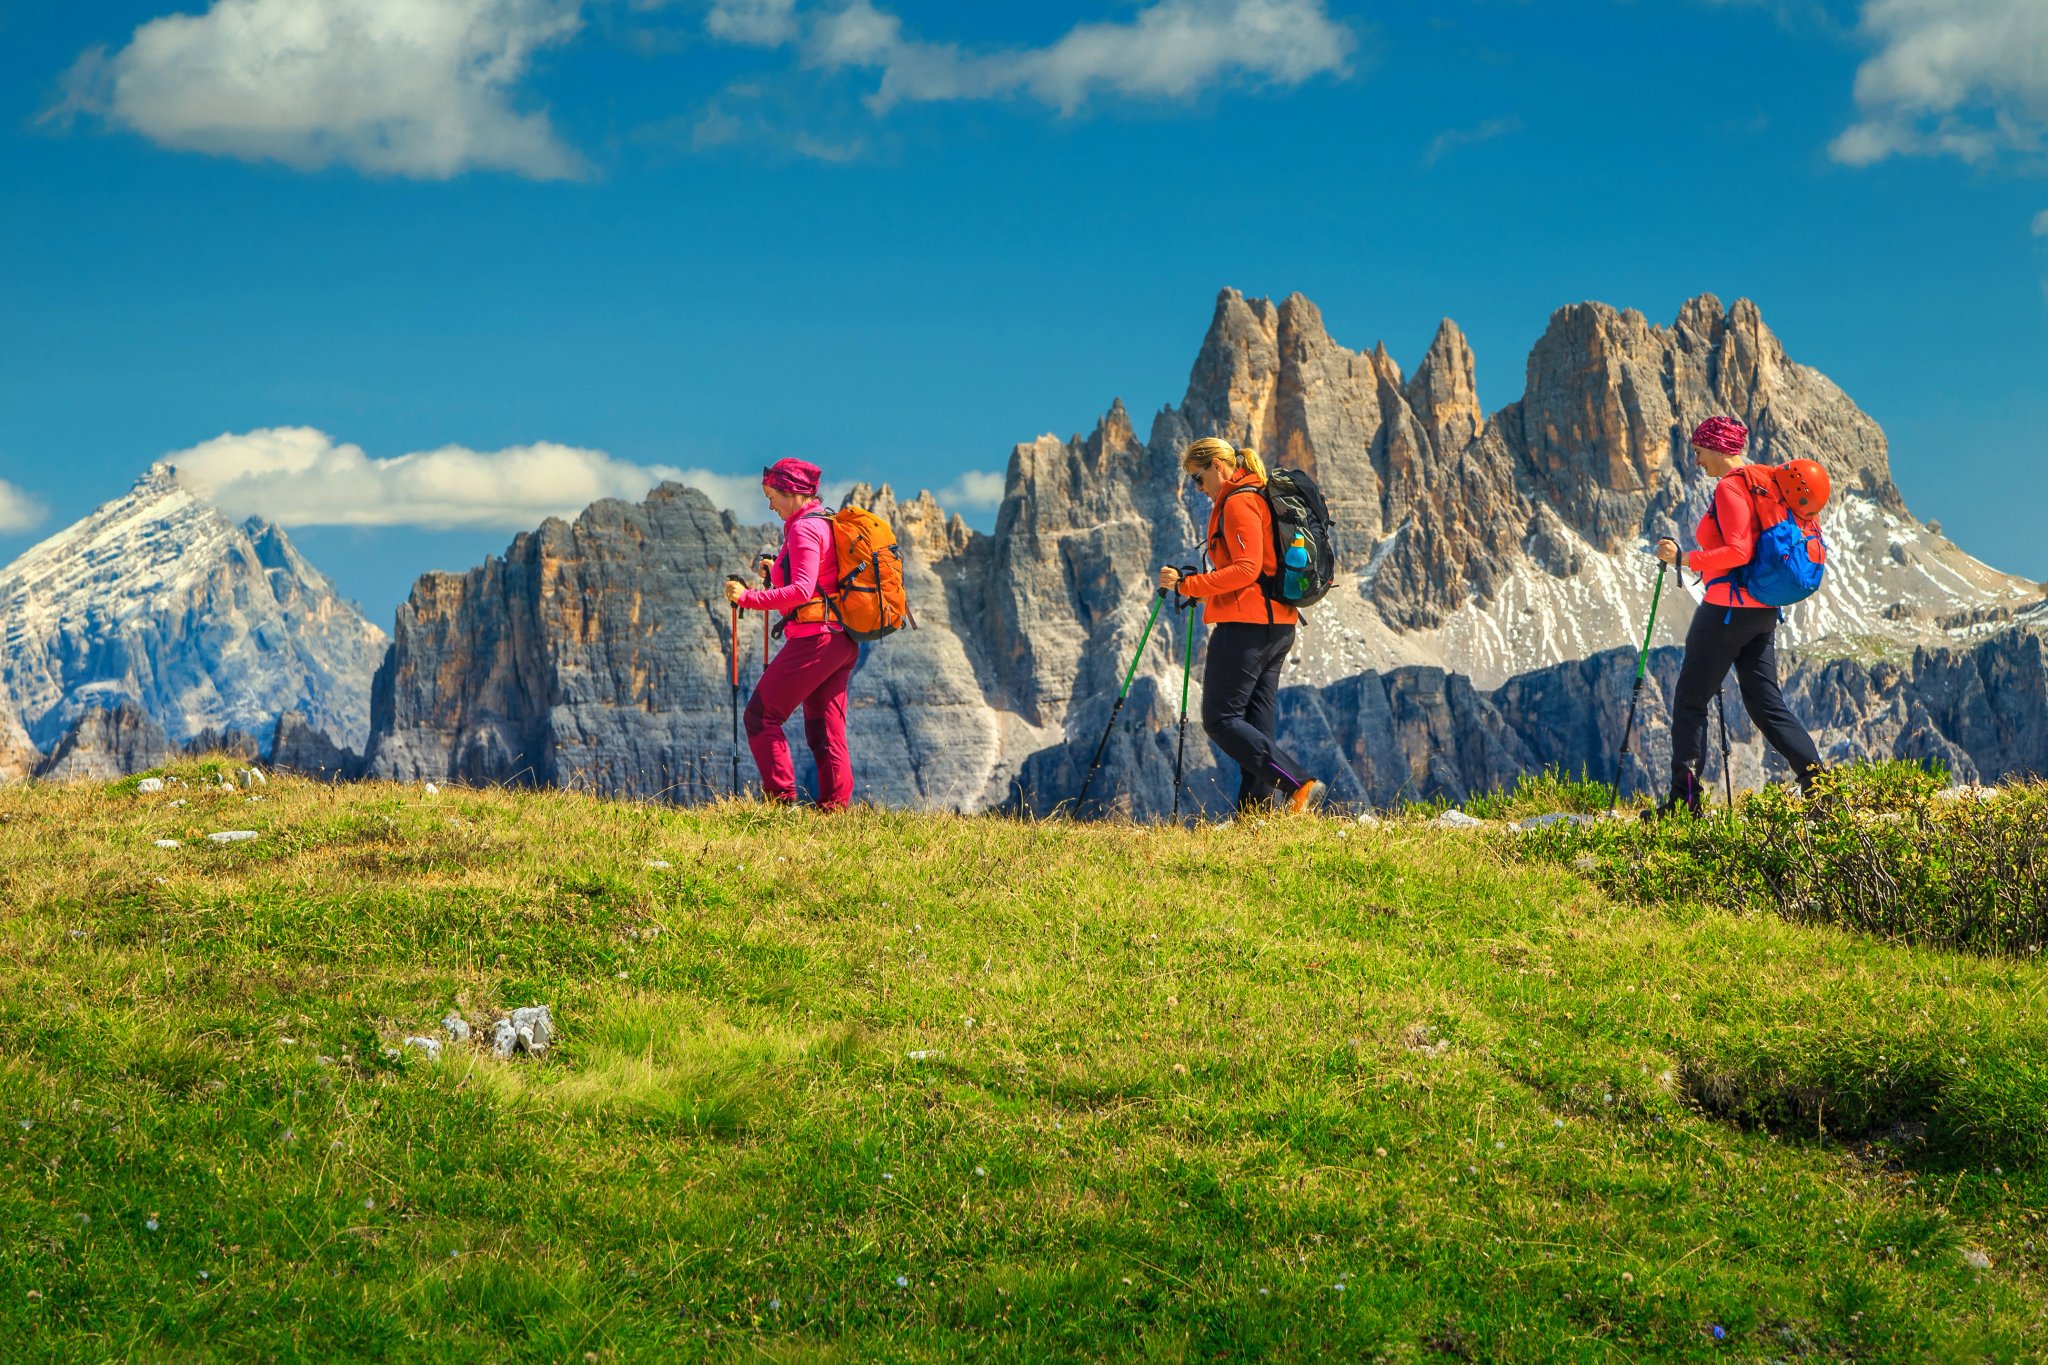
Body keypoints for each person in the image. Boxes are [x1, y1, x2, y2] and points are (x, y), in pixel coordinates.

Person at [1650, 416, 1826, 817]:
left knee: (1691, 700)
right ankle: (1821, 787)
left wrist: (1683, 558)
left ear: (1716, 447)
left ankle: (1684, 805)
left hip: (1727, 610)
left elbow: (1738, 552)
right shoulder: (1767, 480)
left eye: (1698, 452)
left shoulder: (1732, 487)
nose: (1696, 462)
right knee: (1766, 703)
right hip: (1763, 612)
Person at [1158, 438, 1323, 814]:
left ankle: (1299, 784)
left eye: (1199, 479)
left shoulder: (1238, 502)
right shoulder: (1257, 495)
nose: (1199, 489)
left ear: (1218, 466)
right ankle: (1256, 814)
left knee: (1220, 719)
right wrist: (1202, 589)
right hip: (1276, 626)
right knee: (1254, 726)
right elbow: (1256, 571)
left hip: (1247, 629)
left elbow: (1247, 569)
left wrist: (1190, 585)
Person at [724, 458, 859, 810]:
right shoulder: (821, 522)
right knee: (824, 731)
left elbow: (801, 591)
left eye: (772, 496)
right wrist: (776, 570)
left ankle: (781, 803)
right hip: (841, 640)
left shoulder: (802, 530)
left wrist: (748, 598)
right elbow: (815, 580)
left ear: (793, 492)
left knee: (760, 717)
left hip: (816, 639)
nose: (770, 505)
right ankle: (833, 812)